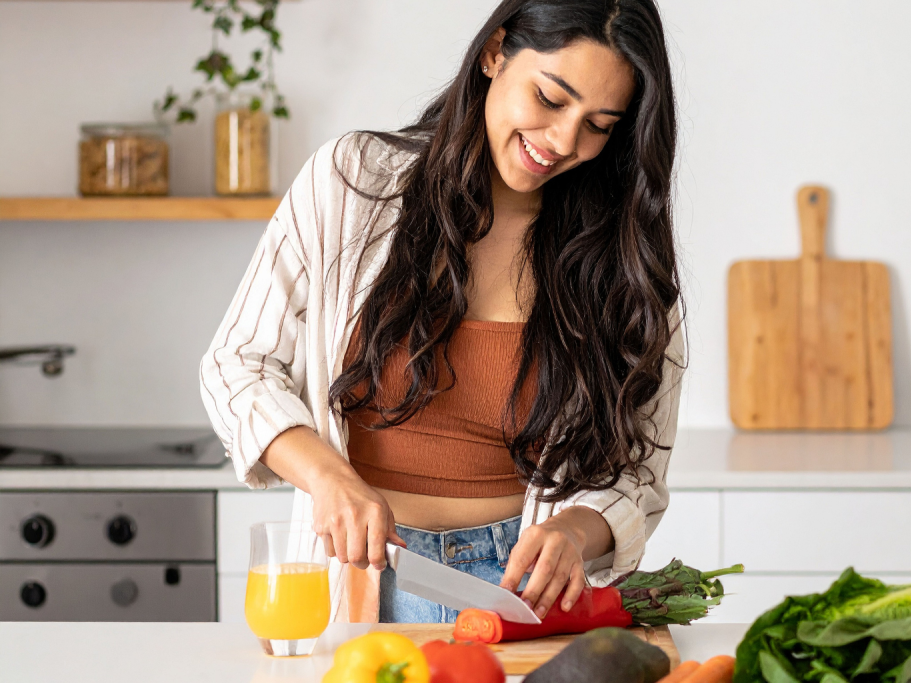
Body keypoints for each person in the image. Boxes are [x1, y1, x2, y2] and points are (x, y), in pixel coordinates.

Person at [200, 0, 685, 625]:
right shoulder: (354, 183)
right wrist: (328, 478)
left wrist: (574, 530)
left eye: (600, 124)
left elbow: (638, 473)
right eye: (550, 98)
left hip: (520, 598)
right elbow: (237, 366)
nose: (565, 141)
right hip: (358, 579)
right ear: (494, 52)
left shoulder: (621, 256)